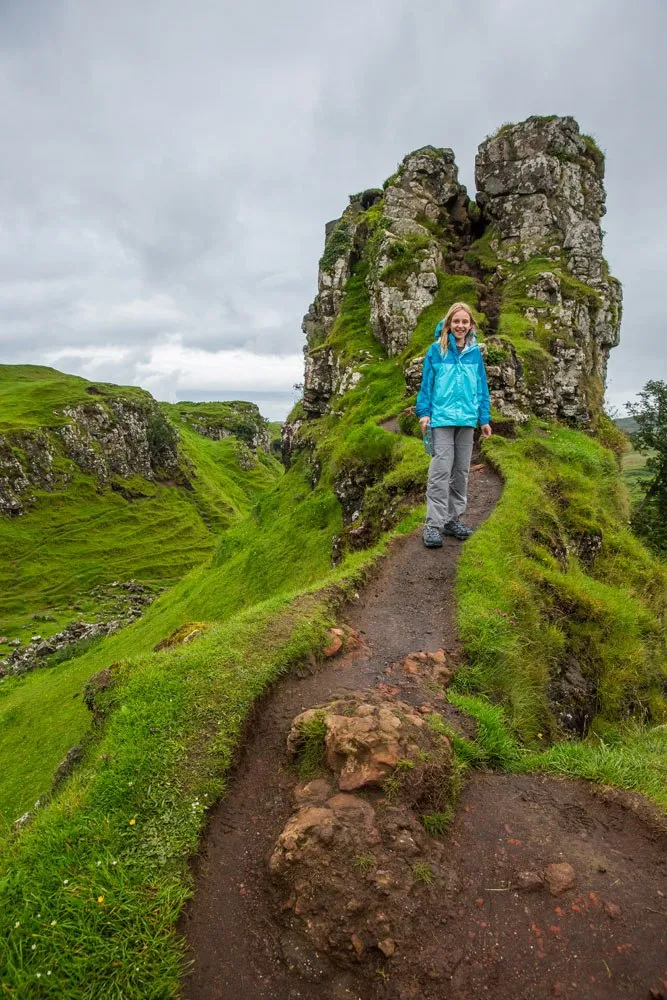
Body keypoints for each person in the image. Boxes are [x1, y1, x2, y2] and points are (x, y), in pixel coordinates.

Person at [415, 301, 492, 548]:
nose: (460, 326)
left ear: (471, 326)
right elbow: (426, 385)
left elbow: (482, 387)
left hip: (467, 420)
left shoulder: (474, 352)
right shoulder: (436, 350)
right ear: (448, 323)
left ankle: (453, 520)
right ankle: (433, 525)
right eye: (456, 321)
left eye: (464, 322)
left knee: (461, 472)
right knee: (440, 472)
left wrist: (484, 419)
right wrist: (424, 413)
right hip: (442, 420)